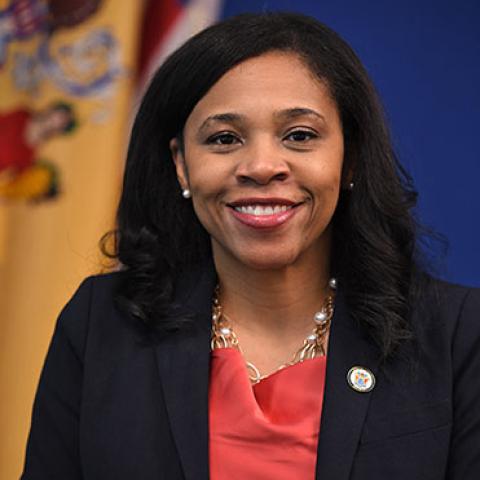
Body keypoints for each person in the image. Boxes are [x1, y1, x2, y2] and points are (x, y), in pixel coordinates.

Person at [21, 12, 480, 480]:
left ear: (350, 156)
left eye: (299, 136)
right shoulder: (101, 323)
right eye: (224, 139)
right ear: (181, 164)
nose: (261, 166)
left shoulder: (457, 335)